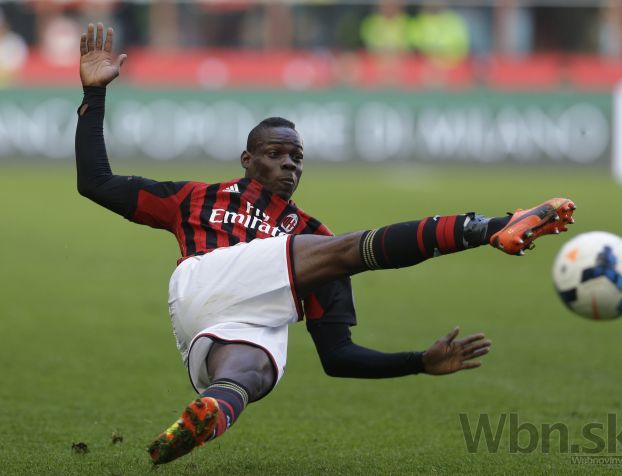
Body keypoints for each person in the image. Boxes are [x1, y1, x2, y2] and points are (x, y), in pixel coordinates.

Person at [76, 23, 575, 465]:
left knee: (256, 371)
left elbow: (338, 356)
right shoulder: (197, 199)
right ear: (248, 160)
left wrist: (418, 363)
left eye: (297, 157)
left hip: (228, 325)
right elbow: (95, 182)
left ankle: (213, 410)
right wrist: (93, 95)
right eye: (276, 154)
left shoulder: (308, 240)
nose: (290, 164)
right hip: (204, 276)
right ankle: (491, 227)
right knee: (346, 250)